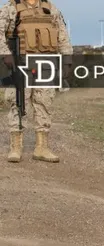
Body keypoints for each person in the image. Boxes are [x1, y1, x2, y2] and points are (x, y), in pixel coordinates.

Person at [0, 0, 72, 163]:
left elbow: (62, 34)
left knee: (44, 103)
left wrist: (67, 60)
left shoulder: (50, 9)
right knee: (18, 102)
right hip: (20, 64)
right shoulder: (10, 9)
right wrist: (5, 54)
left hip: (46, 64)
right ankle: (16, 147)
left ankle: (42, 147)